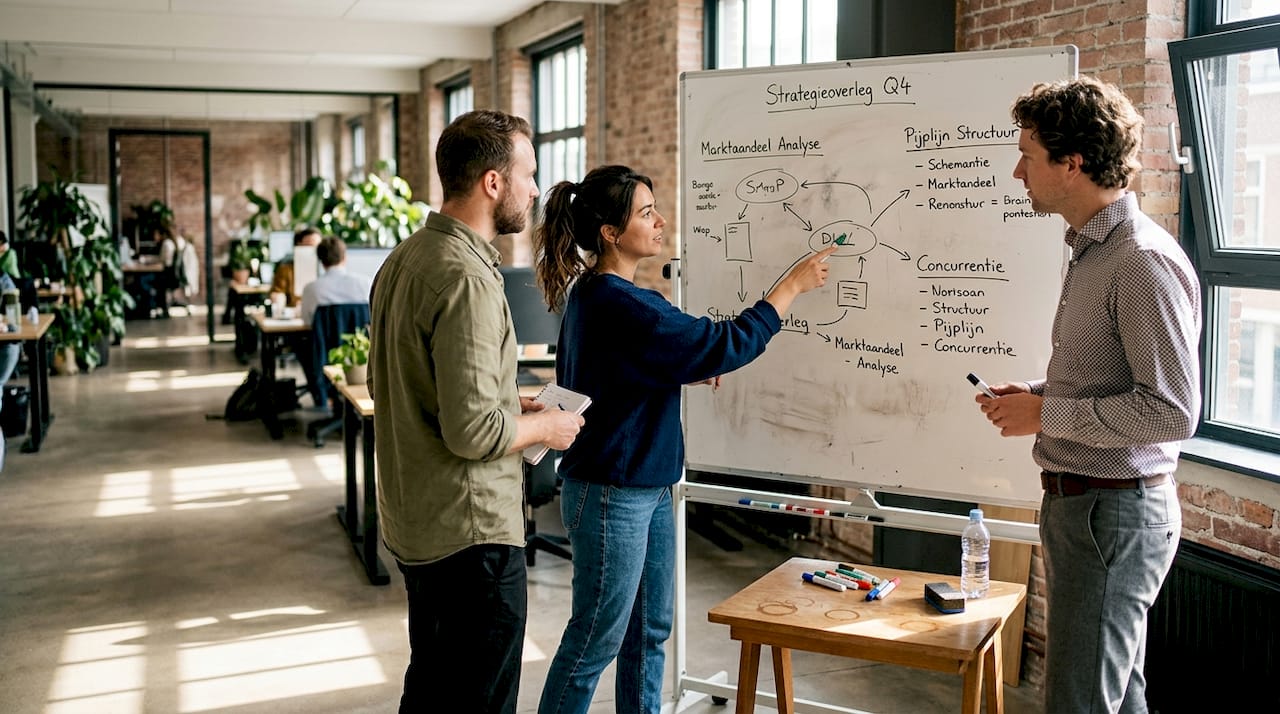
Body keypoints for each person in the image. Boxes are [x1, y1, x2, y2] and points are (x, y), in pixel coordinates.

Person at [533, 164, 835, 714]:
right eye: (646, 213)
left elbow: (614, 371)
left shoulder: (598, 294)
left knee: (649, 632)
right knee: (595, 641)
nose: (660, 221)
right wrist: (790, 287)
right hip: (612, 493)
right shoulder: (623, 303)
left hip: (644, 486)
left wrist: (675, 370)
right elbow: (723, 342)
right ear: (610, 232)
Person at [976, 77, 1201, 714]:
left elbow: (1171, 410)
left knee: (1081, 701)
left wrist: (1045, 413)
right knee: (1115, 697)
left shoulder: (1139, 261)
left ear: (1071, 163)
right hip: (1089, 509)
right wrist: (1037, 394)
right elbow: (1108, 375)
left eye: (1028, 155)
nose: (1018, 172)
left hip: (1113, 513)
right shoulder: (1094, 252)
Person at [370, 109, 585, 714]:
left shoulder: (405, 260)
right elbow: (473, 432)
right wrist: (549, 425)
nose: (536, 190)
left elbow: (400, 383)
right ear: (493, 182)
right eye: (528, 174)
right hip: (471, 537)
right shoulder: (466, 277)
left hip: (419, 523)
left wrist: (510, 398)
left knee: (432, 689)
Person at [299, 237, 370, 326]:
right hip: (359, 335)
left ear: (321, 261)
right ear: (344, 257)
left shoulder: (311, 289)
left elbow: (307, 321)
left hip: (324, 335)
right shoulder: (366, 284)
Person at [270, 226, 322, 307]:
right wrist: (278, 299)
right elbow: (277, 292)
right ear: (298, 245)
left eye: (318, 246)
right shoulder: (286, 270)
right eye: (310, 245)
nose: (314, 250)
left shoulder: (326, 269)